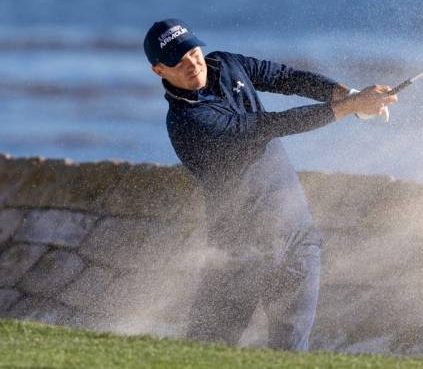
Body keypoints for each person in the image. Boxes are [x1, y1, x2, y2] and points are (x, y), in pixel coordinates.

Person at [142, 18, 397, 351]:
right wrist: (351, 107)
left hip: (296, 239)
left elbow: (286, 78)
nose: (192, 62)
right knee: (205, 350)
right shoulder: (188, 120)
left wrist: (349, 95)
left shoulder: (226, 64)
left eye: (192, 50)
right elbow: (269, 125)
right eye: (178, 59)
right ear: (160, 70)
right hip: (238, 251)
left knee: (290, 352)